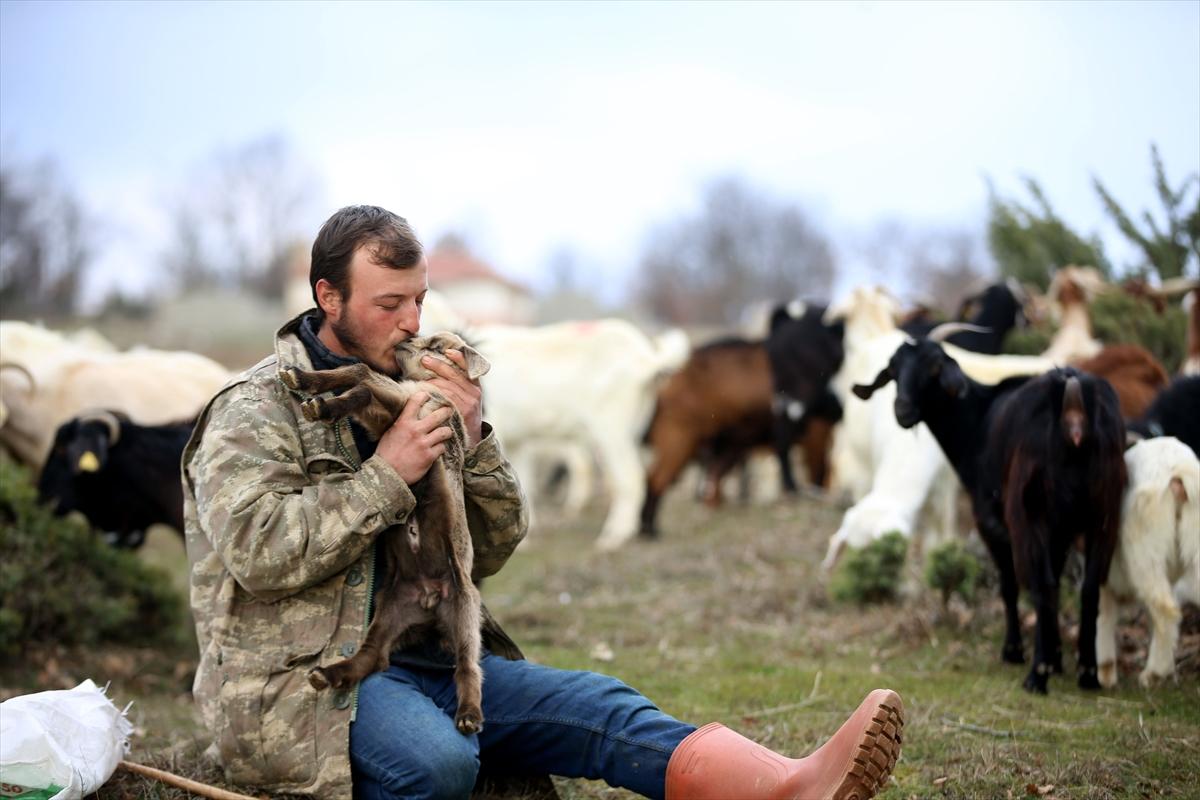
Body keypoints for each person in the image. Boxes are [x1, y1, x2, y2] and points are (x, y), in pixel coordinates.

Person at [183, 205, 905, 800]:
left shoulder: (417, 382)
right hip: (306, 687)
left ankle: (788, 789)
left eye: (420, 301)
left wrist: (473, 437)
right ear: (327, 298)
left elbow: (493, 548)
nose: (411, 324)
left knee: (601, 707)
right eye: (389, 304)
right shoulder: (255, 410)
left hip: (430, 656)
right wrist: (390, 472)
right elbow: (259, 552)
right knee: (438, 764)